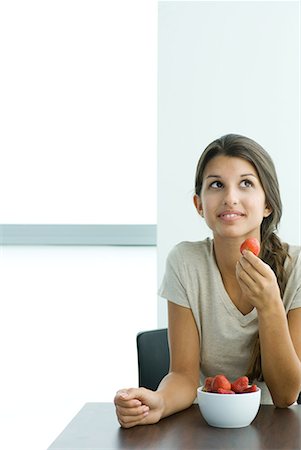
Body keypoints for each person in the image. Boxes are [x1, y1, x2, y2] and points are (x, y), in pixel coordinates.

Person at [114, 133, 301, 428]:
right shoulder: (185, 262)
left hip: (273, 427)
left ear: (268, 204)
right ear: (199, 204)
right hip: (202, 425)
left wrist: (269, 307)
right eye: (216, 184)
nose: (230, 197)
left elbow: (285, 395)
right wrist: (158, 402)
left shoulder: (297, 267)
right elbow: (184, 375)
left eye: (246, 183)